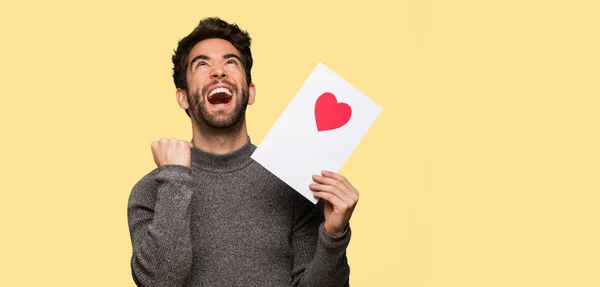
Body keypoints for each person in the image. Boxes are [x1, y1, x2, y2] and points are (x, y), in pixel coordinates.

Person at [127, 17, 359, 287]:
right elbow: (160, 283)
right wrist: (175, 179)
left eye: (231, 62)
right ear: (183, 97)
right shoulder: (152, 191)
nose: (218, 72)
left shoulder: (293, 182)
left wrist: (333, 235)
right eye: (202, 64)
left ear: (250, 92)